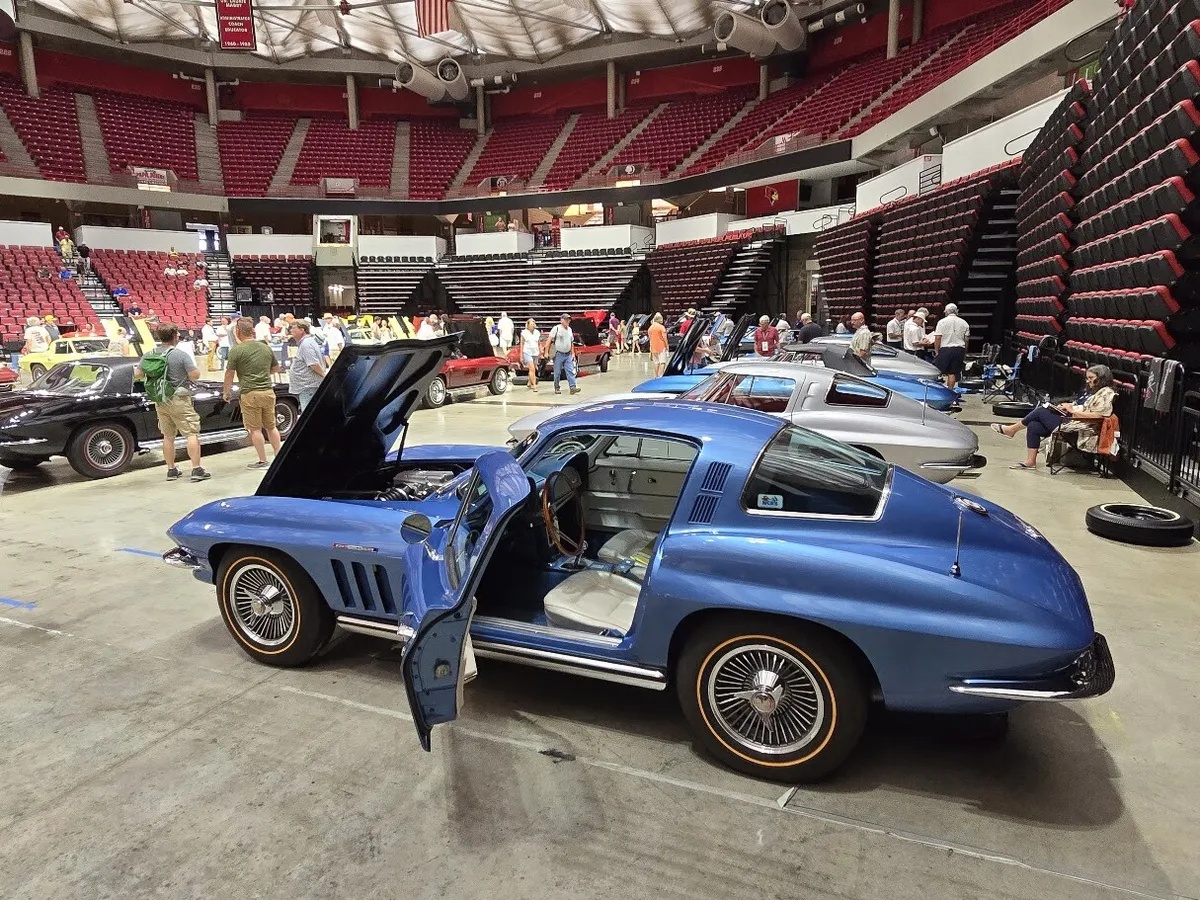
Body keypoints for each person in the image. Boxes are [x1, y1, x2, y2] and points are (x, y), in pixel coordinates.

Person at [991, 365, 1117, 470]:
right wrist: (1069, 406)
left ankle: (1012, 430)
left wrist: (1072, 410)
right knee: (1034, 425)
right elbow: (1081, 405)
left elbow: (1099, 415)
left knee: (1041, 411)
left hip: (1083, 427)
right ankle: (1030, 462)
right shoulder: (1092, 391)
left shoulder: (1106, 393)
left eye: (1091, 378)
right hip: (1073, 419)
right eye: (1087, 378)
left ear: (1101, 378)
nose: (1087, 381)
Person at [135, 322, 210, 481]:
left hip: (160, 400)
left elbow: (138, 373)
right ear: (175, 336)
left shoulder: (149, 354)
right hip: (179, 398)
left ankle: (171, 470)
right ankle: (196, 469)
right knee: (191, 433)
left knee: (168, 436)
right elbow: (194, 375)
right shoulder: (180, 354)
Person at [223, 318, 283, 469]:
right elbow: (276, 368)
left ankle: (263, 460)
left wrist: (227, 392)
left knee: (255, 429)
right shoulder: (265, 347)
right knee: (271, 426)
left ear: (238, 331)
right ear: (252, 331)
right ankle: (278, 456)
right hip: (268, 391)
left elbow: (229, 373)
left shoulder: (236, 350)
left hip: (250, 392)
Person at [288, 320, 326, 411]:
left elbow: (314, 364)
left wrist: (325, 377)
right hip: (308, 387)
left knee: (308, 414)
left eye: (293, 328)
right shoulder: (307, 342)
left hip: (309, 387)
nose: (290, 331)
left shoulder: (306, 344)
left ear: (302, 329)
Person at [932, 302, 970, 389]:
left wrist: (937, 351)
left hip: (945, 349)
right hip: (959, 349)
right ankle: (950, 392)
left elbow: (938, 337)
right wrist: (965, 352)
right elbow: (966, 339)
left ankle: (936, 391)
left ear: (946, 312)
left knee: (937, 371)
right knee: (952, 373)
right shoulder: (964, 323)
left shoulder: (941, 322)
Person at [547, 313, 580, 394]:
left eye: (568, 319)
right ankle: (557, 387)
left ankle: (573, 387)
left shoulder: (569, 329)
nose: (567, 321)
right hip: (558, 354)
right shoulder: (556, 328)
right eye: (566, 319)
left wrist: (572, 354)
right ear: (561, 320)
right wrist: (546, 352)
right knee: (557, 372)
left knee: (570, 371)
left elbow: (571, 342)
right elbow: (549, 340)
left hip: (568, 354)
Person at [520, 318, 541, 391]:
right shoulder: (524, 333)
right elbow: (522, 344)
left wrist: (540, 352)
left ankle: (529, 381)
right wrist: (521, 355)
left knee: (533, 368)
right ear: (528, 325)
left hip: (535, 352)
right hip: (527, 352)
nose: (533, 326)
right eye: (531, 324)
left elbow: (538, 343)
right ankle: (534, 385)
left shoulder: (537, 332)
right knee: (532, 369)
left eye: (534, 324)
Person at [647, 312, 669, 377]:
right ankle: (660, 376)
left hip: (653, 347)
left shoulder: (650, 328)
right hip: (661, 347)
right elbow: (664, 338)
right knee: (662, 362)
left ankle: (656, 376)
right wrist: (667, 346)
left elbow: (650, 338)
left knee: (656, 362)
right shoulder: (661, 327)